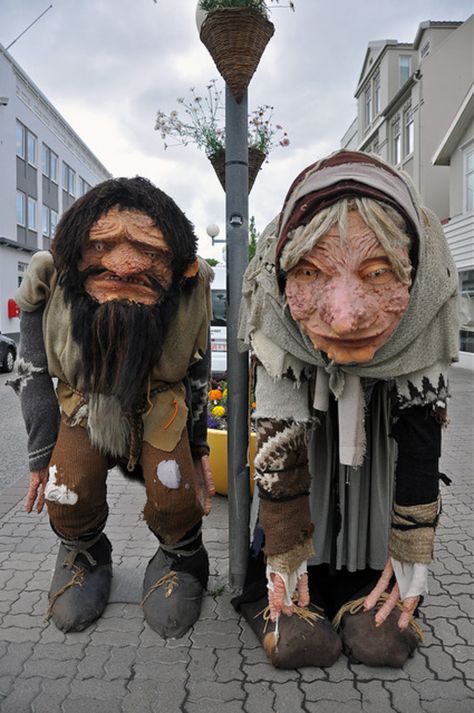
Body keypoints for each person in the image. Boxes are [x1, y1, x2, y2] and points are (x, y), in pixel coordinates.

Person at [235, 150, 459, 669]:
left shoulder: (433, 283)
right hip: (306, 433)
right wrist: (283, 553)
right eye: (310, 272)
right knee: (294, 632)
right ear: (285, 270)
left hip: (378, 431)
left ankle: (371, 576)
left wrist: (412, 550)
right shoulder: (269, 288)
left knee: (381, 641)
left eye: (379, 272)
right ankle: (290, 579)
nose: (344, 316)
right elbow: (279, 430)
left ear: (411, 269)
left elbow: (422, 428)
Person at [11, 176, 215, 637]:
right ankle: (82, 551)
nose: (124, 266)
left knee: (173, 491)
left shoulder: (191, 285)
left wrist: (198, 444)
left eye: (148, 253)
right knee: (69, 489)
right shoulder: (49, 275)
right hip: (81, 405)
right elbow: (32, 370)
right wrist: (40, 454)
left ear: (175, 264)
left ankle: (182, 558)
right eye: (103, 247)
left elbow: (198, 366)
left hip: (160, 404)